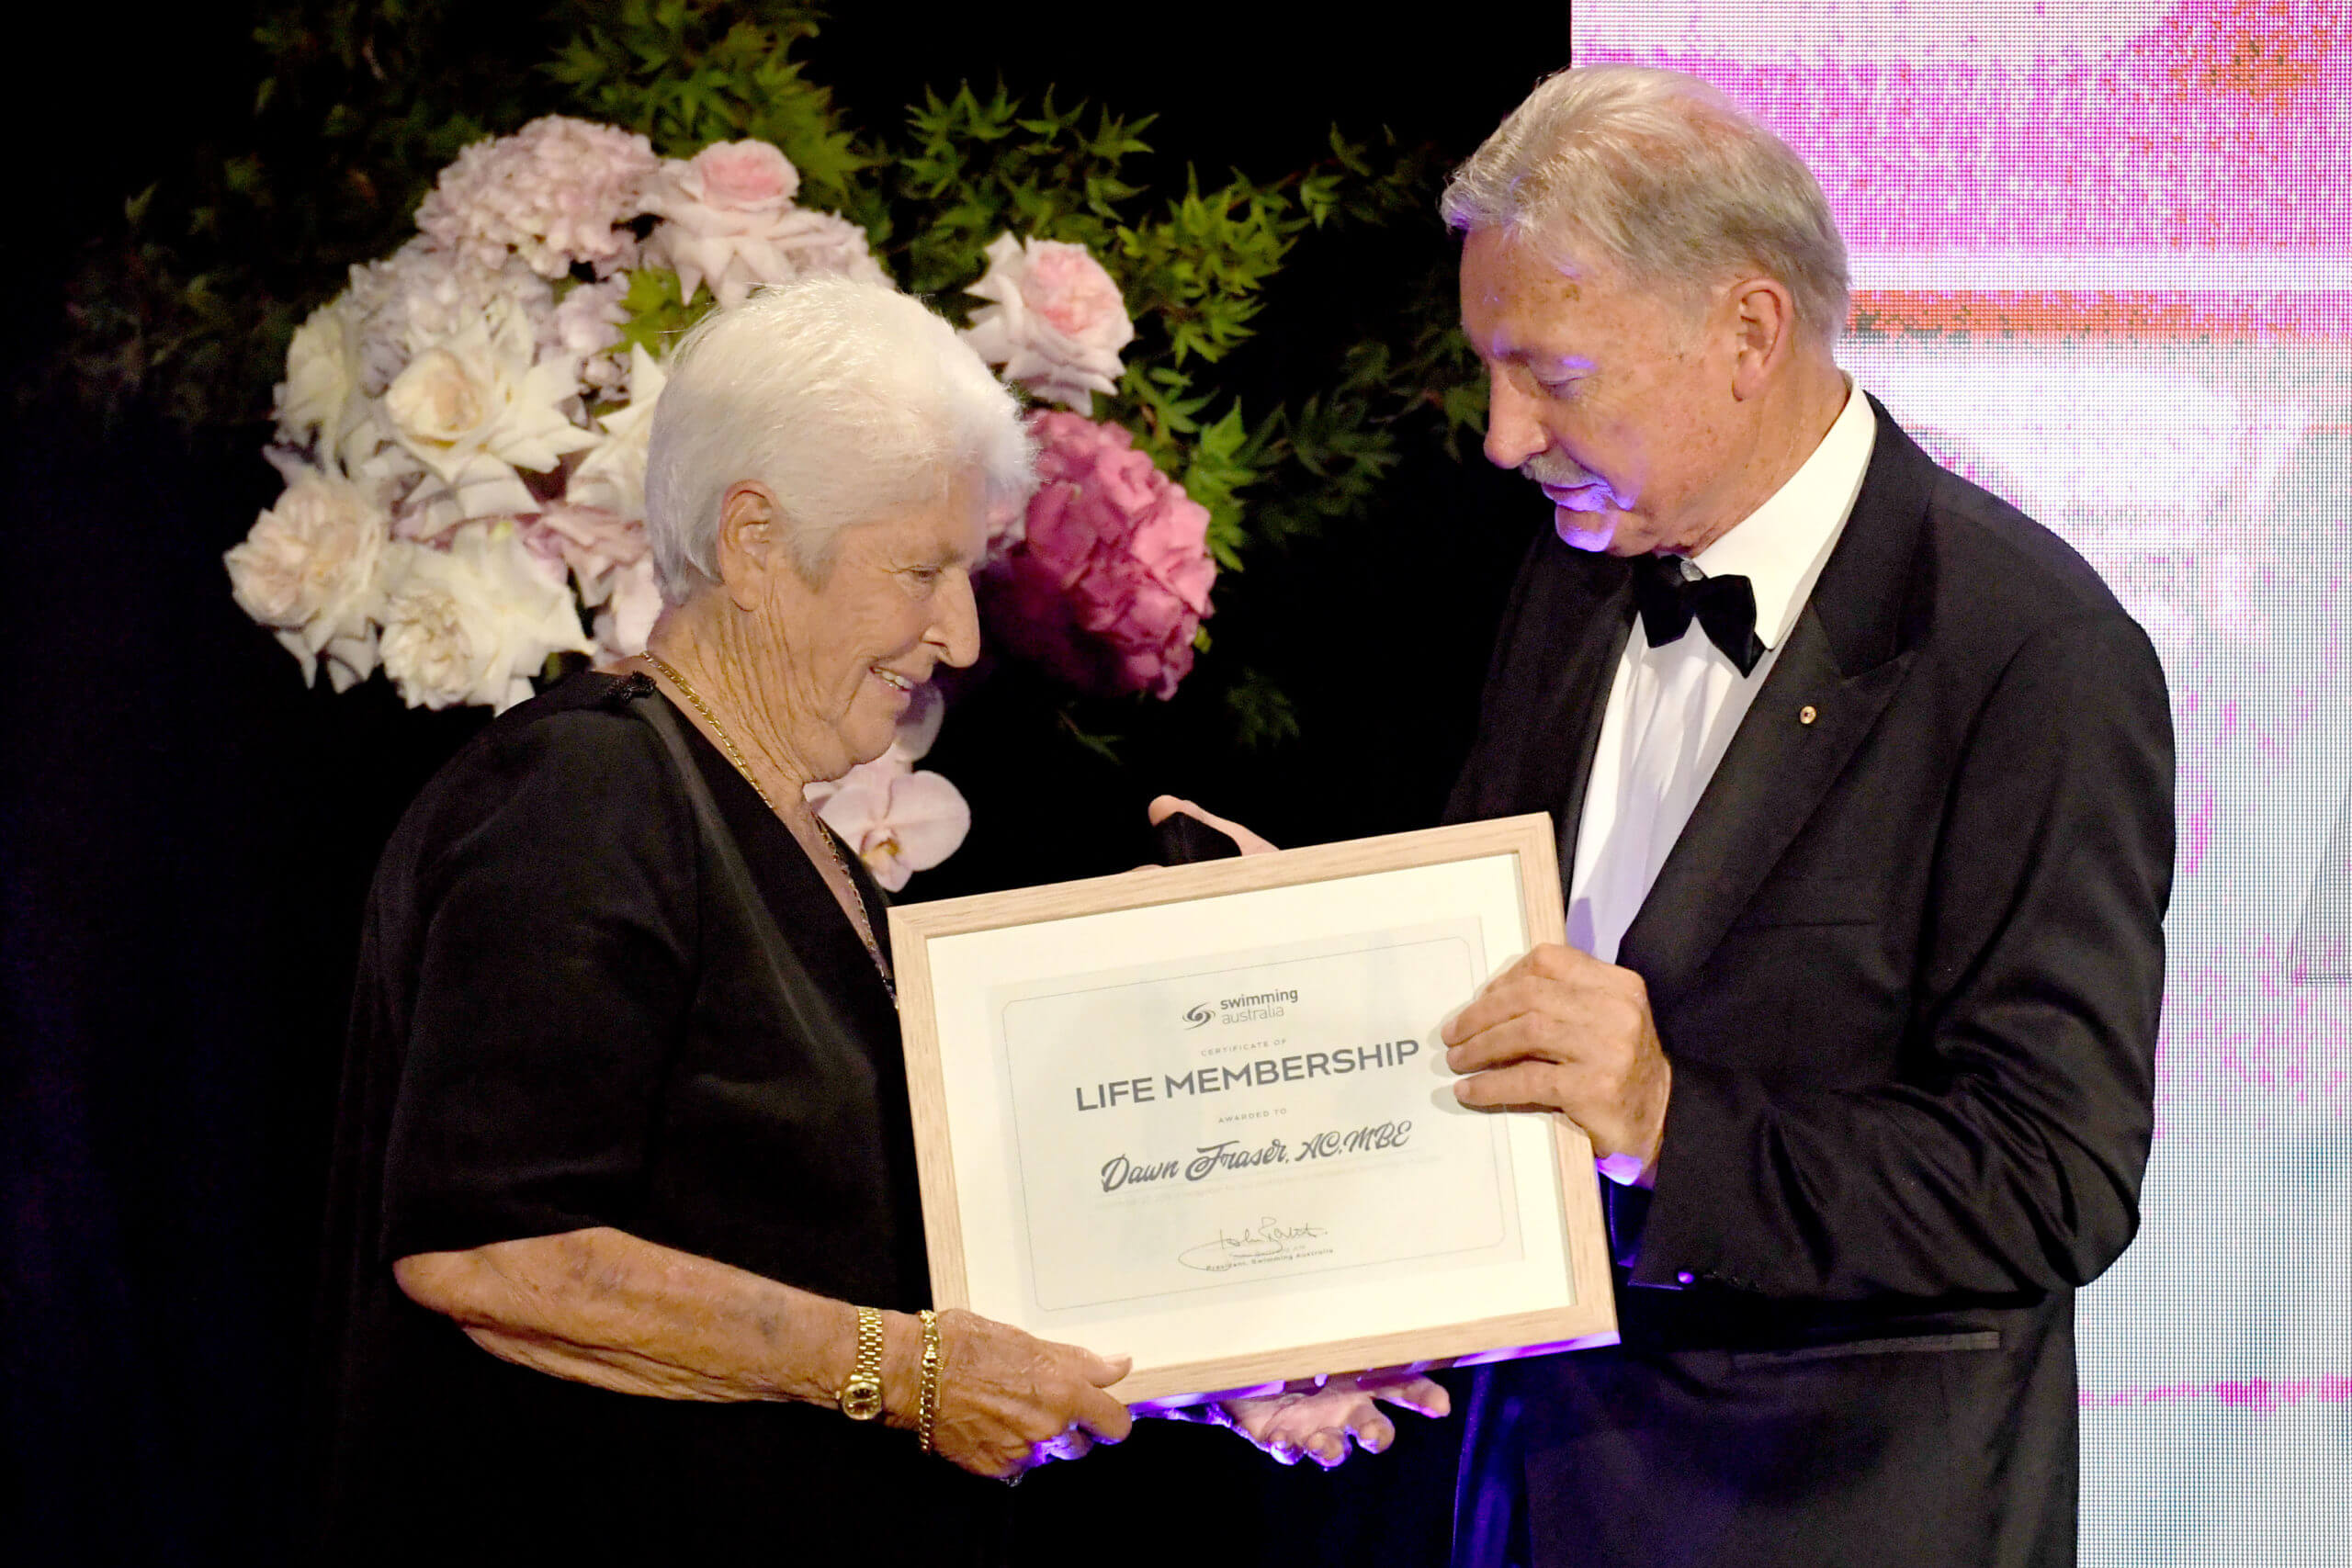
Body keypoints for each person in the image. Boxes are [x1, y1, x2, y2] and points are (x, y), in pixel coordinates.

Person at [1200, 64, 2174, 1568]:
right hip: (1530, 1498)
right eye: (1489, 370)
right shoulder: (1577, 575)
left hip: (1837, 1521)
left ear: (1748, 332)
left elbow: (2053, 1182)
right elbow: (1515, 1024)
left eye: (1554, 376)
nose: (1502, 437)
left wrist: (1669, 1124)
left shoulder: (2031, 653)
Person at [312, 277, 1135, 1564]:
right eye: (920, 569)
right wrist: (898, 1372)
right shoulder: (588, 799)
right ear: (753, 543)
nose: (961, 634)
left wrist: (1234, 1359)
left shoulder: (772, 818)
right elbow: (492, 1251)